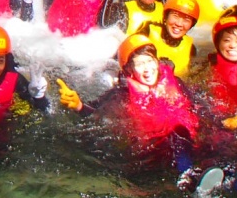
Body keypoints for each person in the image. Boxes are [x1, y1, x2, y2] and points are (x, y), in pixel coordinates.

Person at [58, 33, 198, 173]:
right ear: (129, 70)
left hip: (187, 144)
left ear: (157, 61)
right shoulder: (121, 96)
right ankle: (188, 175)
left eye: (150, 61)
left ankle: (192, 171)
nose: (147, 69)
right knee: (177, 136)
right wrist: (79, 106)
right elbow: (97, 116)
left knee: (181, 134)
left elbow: (197, 105)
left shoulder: (176, 83)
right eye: (140, 64)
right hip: (150, 153)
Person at [132, 0, 202, 79]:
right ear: (166, 16)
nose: (179, 24)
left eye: (186, 20)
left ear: (191, 25)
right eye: (175, 16)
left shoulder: (191, 49)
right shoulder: (148, 30)